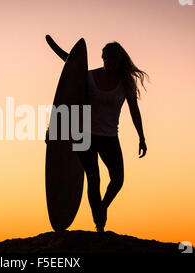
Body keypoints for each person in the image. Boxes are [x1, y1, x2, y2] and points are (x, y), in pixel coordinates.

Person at [46, 35, 148, 232]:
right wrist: (53, 131)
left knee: (118, 179)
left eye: (112, 59)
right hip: (85, 135)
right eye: (106, 58)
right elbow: (66, 101)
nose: (109, 62)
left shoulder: (126, 83)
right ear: (102, 58)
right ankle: (99, 225)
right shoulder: (89, 77)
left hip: (110, 137)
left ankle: (101, 207)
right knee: (94, 178)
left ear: (120, 60)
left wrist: (141, 137)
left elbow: (134, 111)